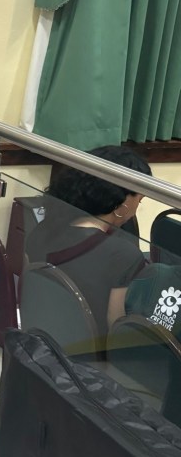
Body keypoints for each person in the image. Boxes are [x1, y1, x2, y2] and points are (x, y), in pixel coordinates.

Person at [25, 145, 151, 340]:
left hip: (41, 342)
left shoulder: (40, 231)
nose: (137, 208)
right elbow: (117, 330)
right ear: (123, 203)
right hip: (87, 354)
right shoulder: (122, 254)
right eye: (139, 200)